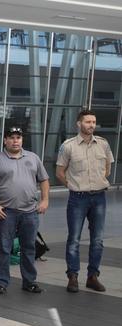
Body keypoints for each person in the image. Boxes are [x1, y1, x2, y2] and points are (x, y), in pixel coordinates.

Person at [56, 110, 113, 293]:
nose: (91, 125)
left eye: (94, 122)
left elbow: (107, 168)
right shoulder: (68, 146)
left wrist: (97, 182)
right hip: (77, 198)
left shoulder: (103, 145)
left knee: (97, 239)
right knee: (74, 239)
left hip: (99, 197)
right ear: (78, 124)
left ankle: (92, 277)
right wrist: (74, 185)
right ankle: (72, 276)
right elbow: (59, 172)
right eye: (87, 121)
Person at [0, 126, 50, 294]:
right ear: (5, 140)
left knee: (29, 247)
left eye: (18, 137)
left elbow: (44, 180)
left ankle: (29, 281)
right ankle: (1, 282)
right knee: (4, 248)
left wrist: (45, 200)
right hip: (6, 212)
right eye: (12, 137)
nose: (15, 141)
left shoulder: (33, 158)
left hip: (30, 212)